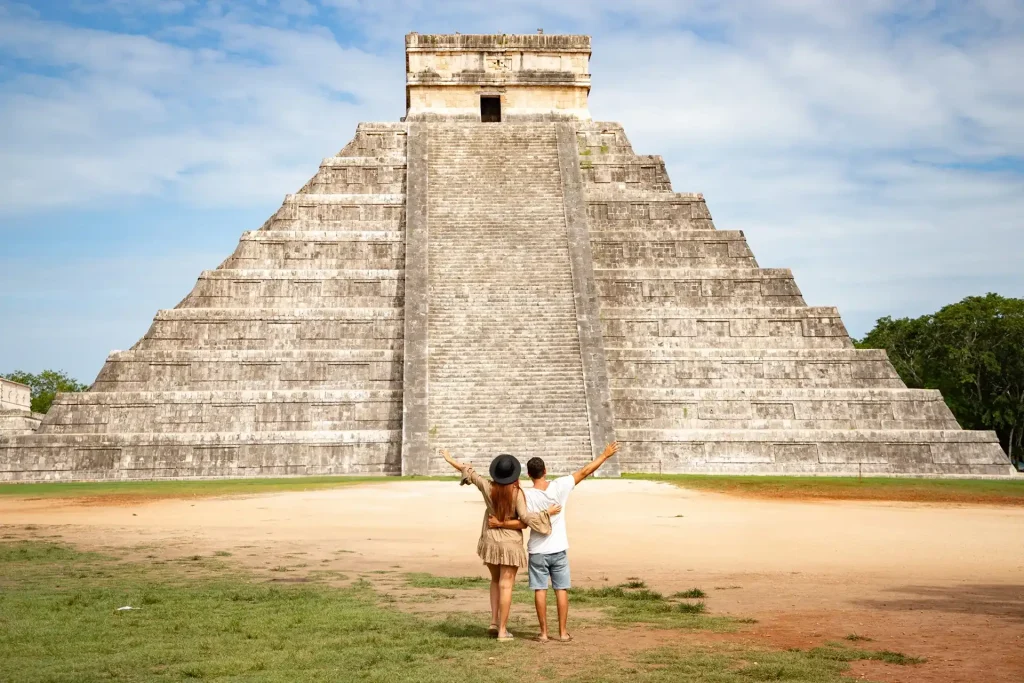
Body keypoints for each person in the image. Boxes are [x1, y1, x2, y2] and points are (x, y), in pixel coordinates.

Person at [488, 441, 619, 642]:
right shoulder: (560, 486)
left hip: (537, 549)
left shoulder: (525, 494)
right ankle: (563, 632)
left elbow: (520, 517)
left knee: (540, 590)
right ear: (545, 471)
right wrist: (605, 455)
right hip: (558, 547)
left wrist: (499, 522)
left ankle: (543, 633)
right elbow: (585, 471)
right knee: (561, 589)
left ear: (529, 475)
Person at [440, 447, 561, 641]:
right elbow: (524, 520)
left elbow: (468, 472)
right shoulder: (517, 493)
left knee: (495, 581)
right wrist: (547, 514)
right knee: (506, 585)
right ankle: (503, 630)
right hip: (510, 544)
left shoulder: (488, 487)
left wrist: (449, 458)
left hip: (490, 541)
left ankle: (494, 621)